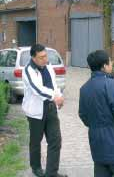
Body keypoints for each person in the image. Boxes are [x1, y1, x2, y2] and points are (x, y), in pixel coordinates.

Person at [22, 44, 67, 177]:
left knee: (55, 140)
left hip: (51, 109)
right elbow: (37, 89)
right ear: (33, 58)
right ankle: (36, 168)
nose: (45, 59)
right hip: (36, 112)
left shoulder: (49, 67)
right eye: (41, 57)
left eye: (45, 56)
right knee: (36, 141)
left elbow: (53, 85)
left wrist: (59, 96)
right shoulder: (28, 70)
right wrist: (54, 97)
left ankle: (51, 172)